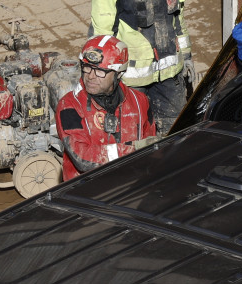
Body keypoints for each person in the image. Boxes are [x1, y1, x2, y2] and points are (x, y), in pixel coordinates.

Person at [56, 35, 157, 181]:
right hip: (86, 191)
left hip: (131, 184)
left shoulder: (140, 102)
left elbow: (151, 146)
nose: (90, 76)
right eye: (87, 68)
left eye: (100, 71)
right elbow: (82, 157)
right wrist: (132, 149)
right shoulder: (69, 106)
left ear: (118, 73)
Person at [91, 0, 191, 133]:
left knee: (176, 131)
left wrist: (186, 56)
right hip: (131, 79)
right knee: (131, 133)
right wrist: (105, 72)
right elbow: (103, 33)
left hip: (170, 74)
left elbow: (178, 17)